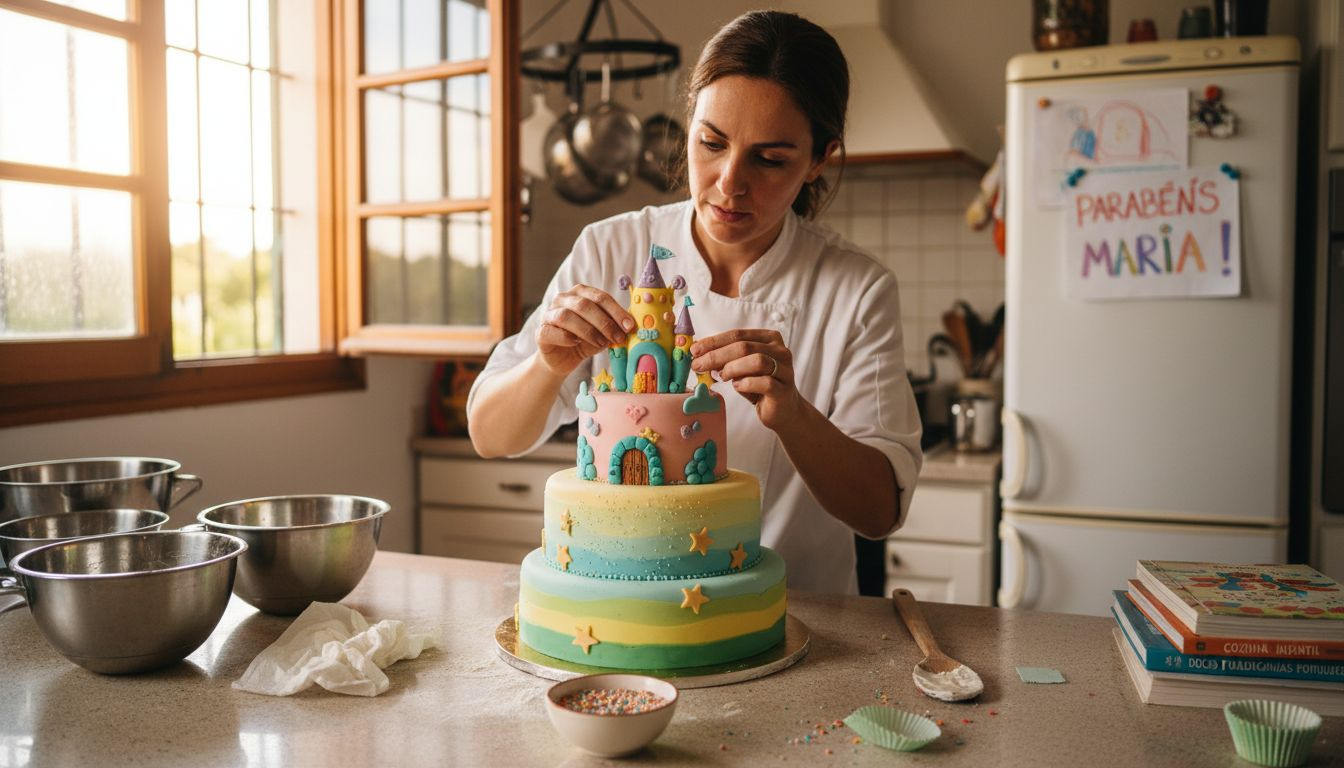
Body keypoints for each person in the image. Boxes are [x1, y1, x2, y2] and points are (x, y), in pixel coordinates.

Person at [468, 10, 922, 594]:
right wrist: (547, 363)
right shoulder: (613, 248)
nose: (729, 182)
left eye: (770, 159)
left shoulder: (856, 289)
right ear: (689, 126)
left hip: (797, 615)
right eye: (711, 143)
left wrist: (792, 412)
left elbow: (878, 512)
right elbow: (489, 434)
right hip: (625, 605)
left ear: (819, 159)